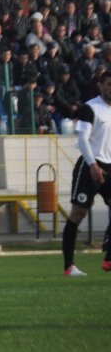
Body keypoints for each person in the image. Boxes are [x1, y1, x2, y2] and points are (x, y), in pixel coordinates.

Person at [62, 71, 111, 276]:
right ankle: (69, 266)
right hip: (89, 165)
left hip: (109, 165)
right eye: (109, 84)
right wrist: (92, 165)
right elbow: (83, 139)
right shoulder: (90, 108)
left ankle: (108, 259)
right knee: (78, 213)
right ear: (100, 85)